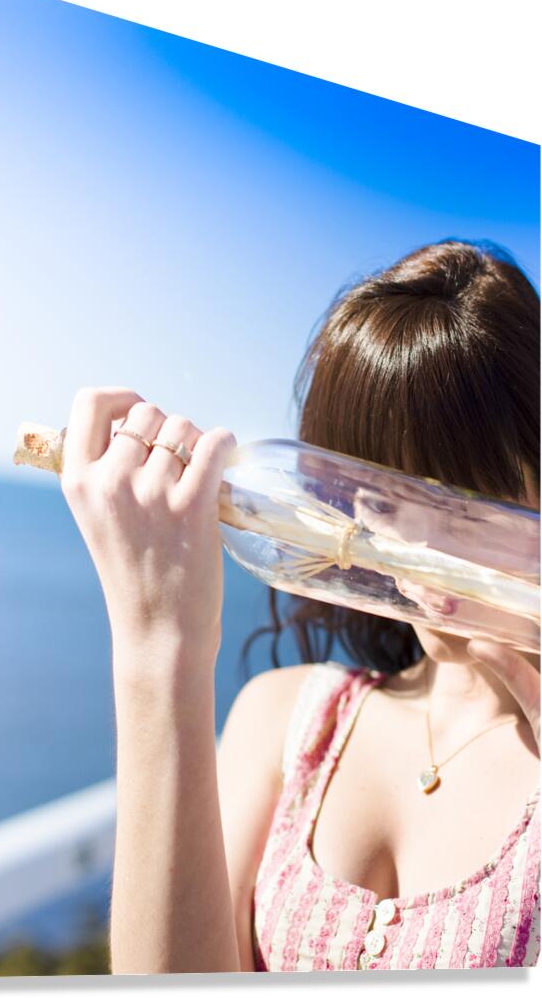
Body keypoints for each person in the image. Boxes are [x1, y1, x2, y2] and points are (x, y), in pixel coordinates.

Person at [59, 238, 540, 973]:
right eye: (384, 500)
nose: (421, 549)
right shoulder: (288, 723)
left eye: (470, 499)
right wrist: (159, 645)